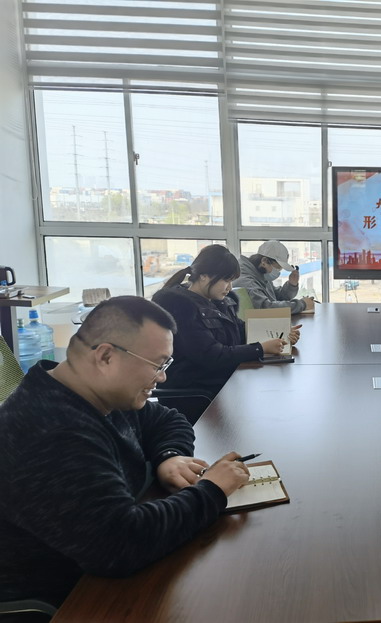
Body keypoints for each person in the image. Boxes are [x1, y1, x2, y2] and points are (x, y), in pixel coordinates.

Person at [0, 296, 251, 610]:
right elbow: (121, 545)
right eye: (158, 364)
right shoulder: (48, 430)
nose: (162, 377)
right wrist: (212, 490)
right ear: (106, 357)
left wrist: (170, 456)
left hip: (107, 572)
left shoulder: (97, 394)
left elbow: (168, 420)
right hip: (70, 599)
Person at [152, 244, 300, 398]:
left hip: (225, 382)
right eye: (226, 280)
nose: (230, 288)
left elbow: (241, 330)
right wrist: (261, 349)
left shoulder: (219, 301)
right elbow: (212, 356)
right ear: (204, 276)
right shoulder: (181, 308)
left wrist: (281, 333)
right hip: (199, 393)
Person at [234, 240, 314, 314]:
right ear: (264, 261)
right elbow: (267, 309)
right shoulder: (247, 282)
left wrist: (291, 285)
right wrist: (302, 304)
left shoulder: (260, 275)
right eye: (277, 268)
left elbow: (277, 297)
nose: (278, 272)